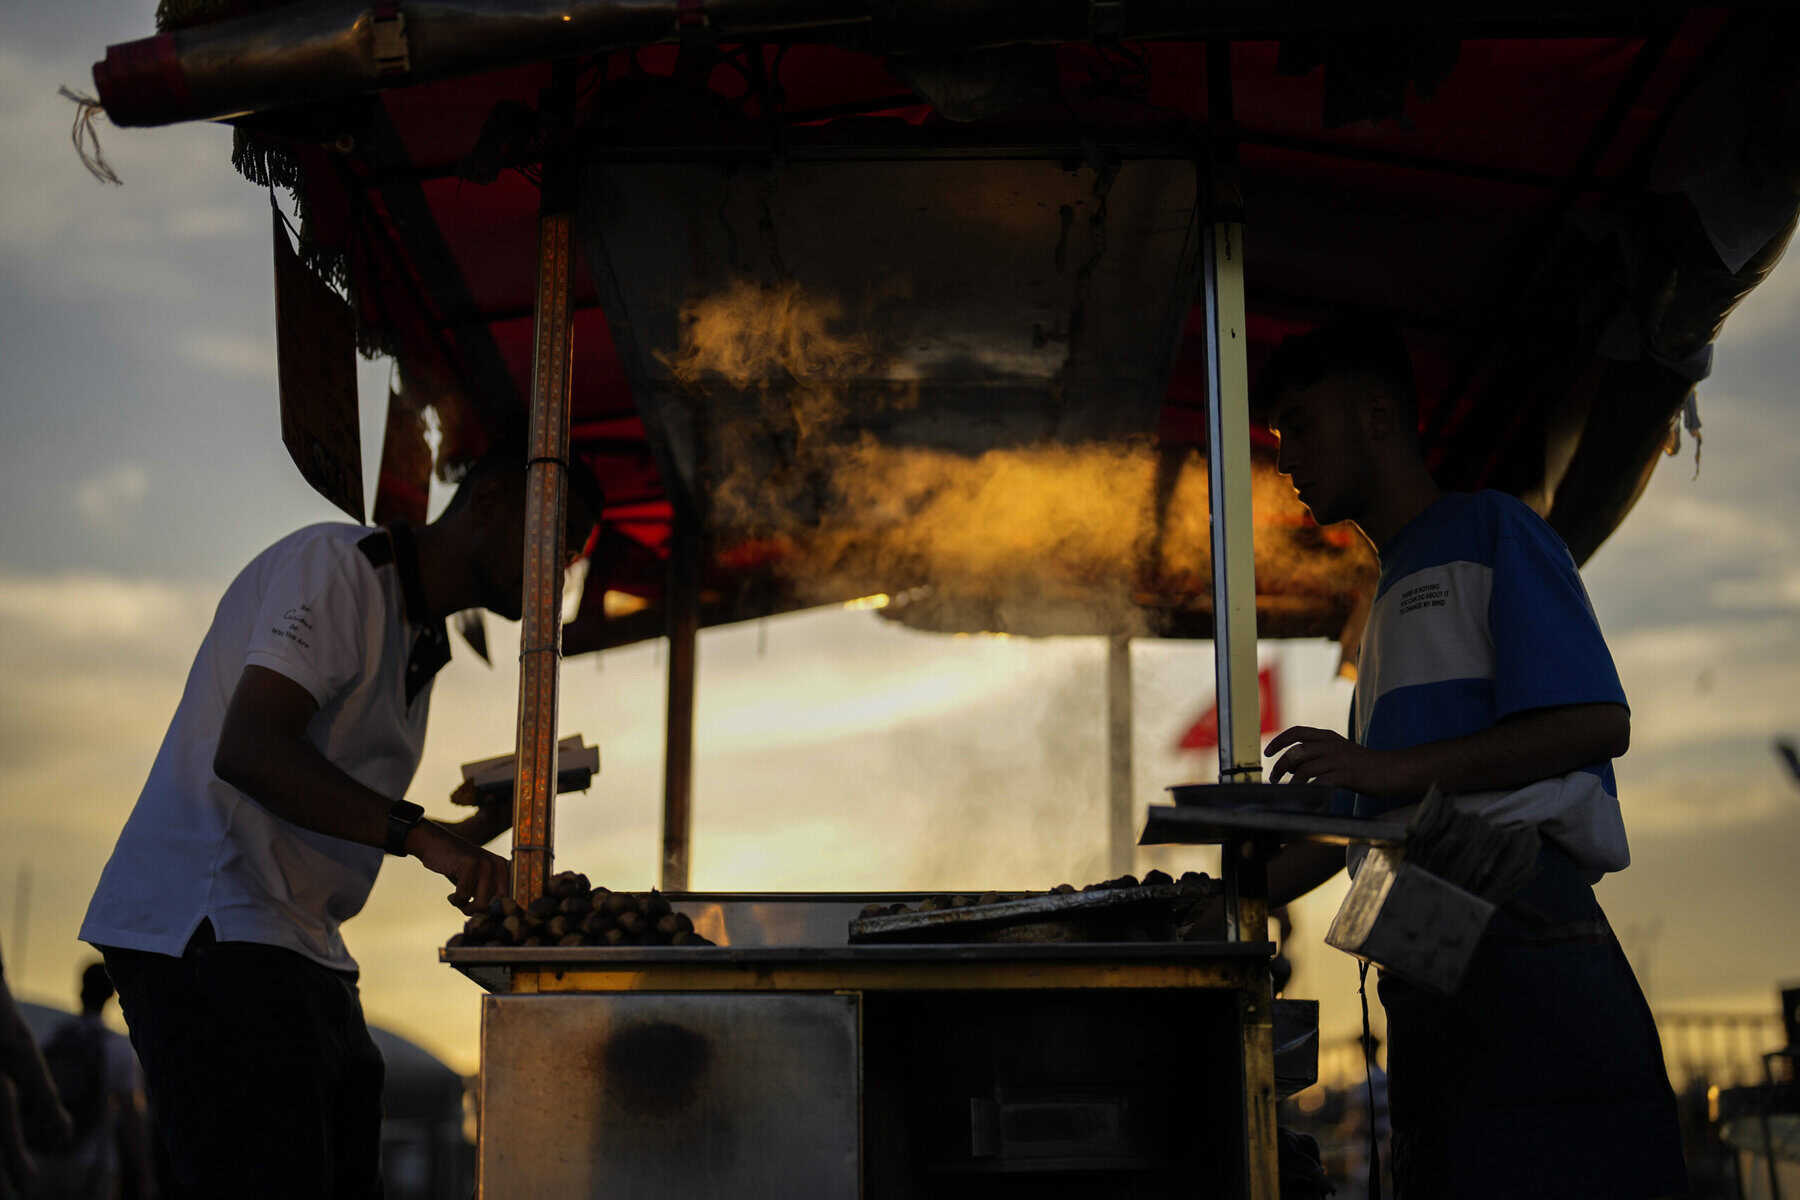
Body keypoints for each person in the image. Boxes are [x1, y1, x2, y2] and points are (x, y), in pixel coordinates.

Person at [78, 454, 599, 1199]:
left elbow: (345, 810)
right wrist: (426, 837)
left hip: (297, 942)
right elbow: (251, 749)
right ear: (488, 501)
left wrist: (471, 829)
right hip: (210, 927)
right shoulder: (341, 569)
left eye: (573, 556)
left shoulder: (419, 638)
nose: (562, 571)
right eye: (558, 540)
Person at [1252, 320, 1687, 1198]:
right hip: (1428, 947)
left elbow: (1597, 722)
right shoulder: (1379, 613)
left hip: (1517, 918)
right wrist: (1234, 885)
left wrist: (1381, 772)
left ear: (1378, 415)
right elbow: (1372, 813)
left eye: (1299, 423)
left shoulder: (1495, 529)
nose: (1286, 454)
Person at [31, 963, 155, 1200]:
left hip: (47, 1157)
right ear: (111, 995)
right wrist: (145, 1174)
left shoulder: (54, 1034)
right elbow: (131, 1116)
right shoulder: (116, 1047)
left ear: (81, 989)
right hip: (93, 1165)